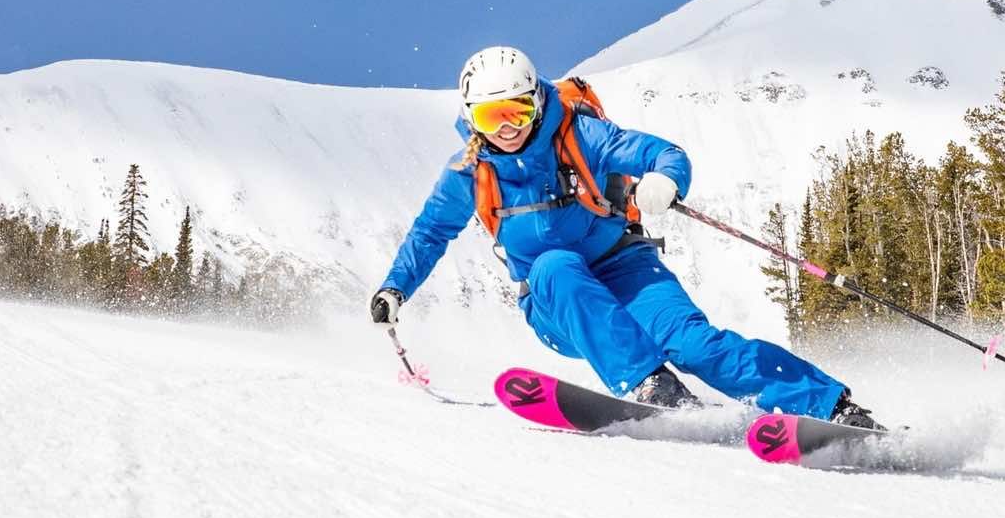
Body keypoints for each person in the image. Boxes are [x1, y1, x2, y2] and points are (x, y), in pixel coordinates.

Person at [369, 45, 881, 428]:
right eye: (490, 116)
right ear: (470, 118)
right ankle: (651, 384)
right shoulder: (469, 172)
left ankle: (831, 406)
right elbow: (430, 232)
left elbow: (664, 153)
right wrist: (395, 288)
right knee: (554, 264)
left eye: (517, 112)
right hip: (557, 302)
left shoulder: (579, 134)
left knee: (695, 344)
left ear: (535, 103)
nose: (507, 128)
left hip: (624, 266)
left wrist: (664, 178)